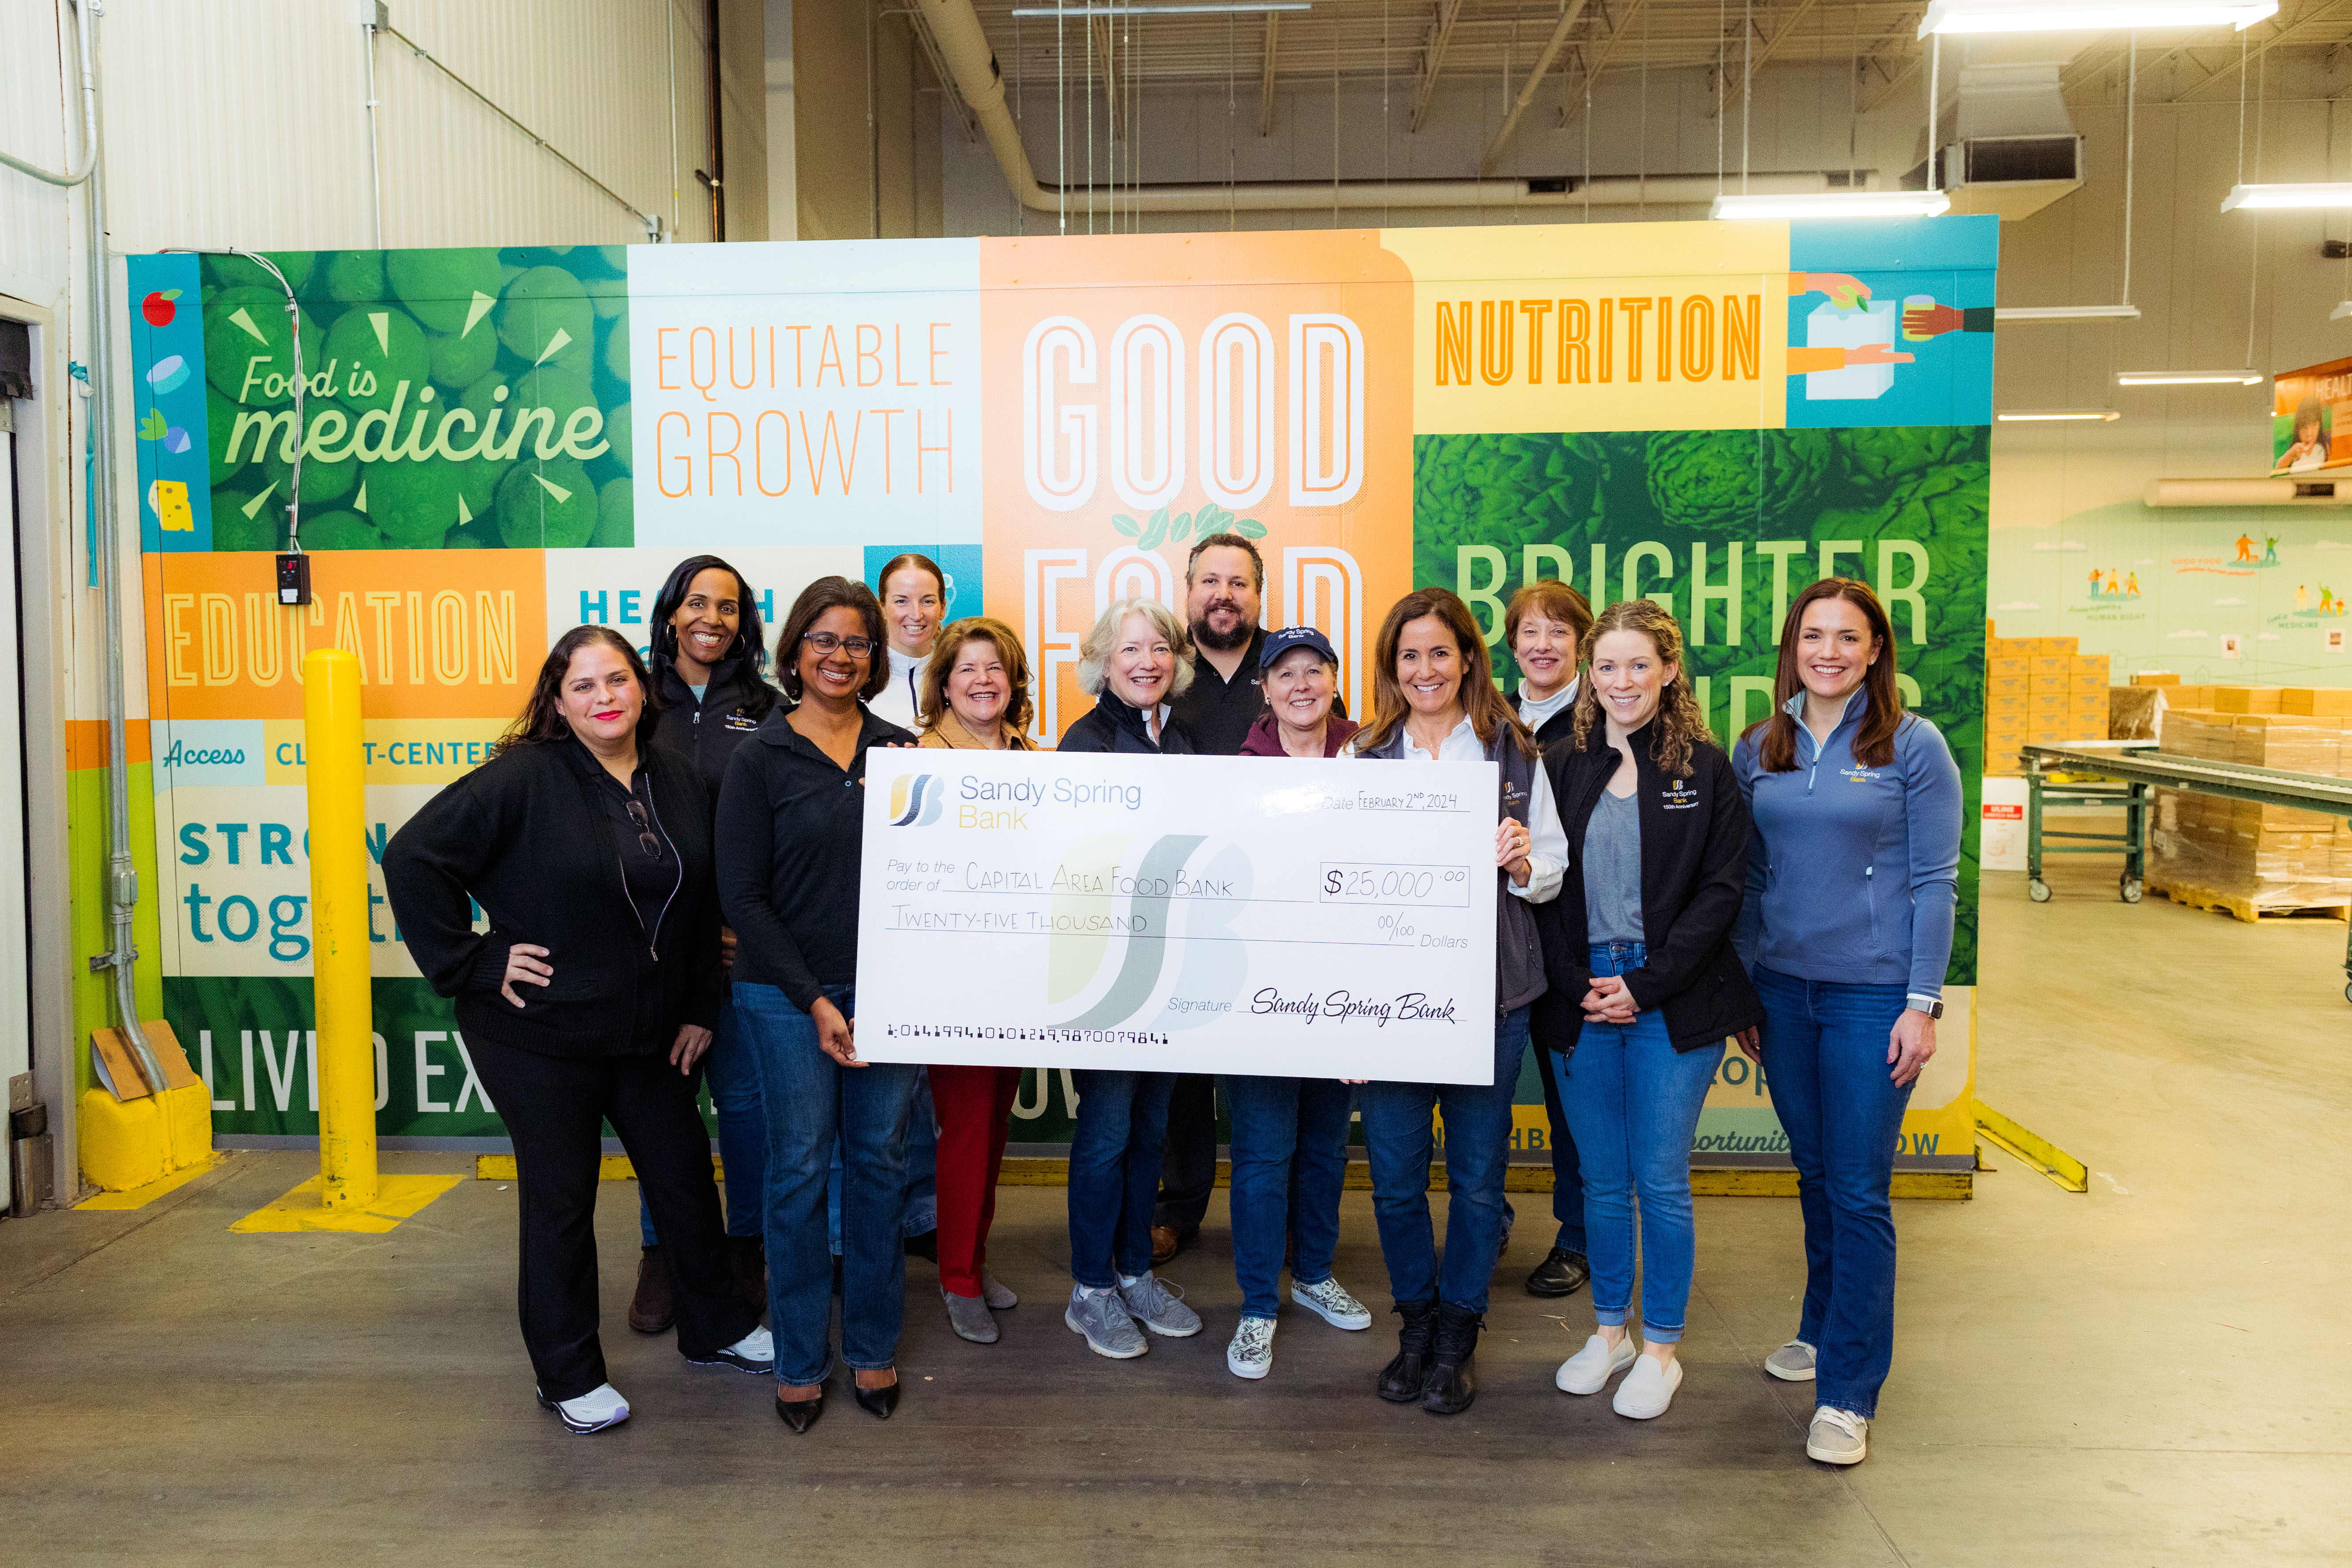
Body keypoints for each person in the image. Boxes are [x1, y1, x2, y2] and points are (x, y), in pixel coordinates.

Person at [384, 626, 772, 1435]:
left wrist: (702, 1005)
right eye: (585, 685)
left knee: (684, 1181)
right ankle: (566, 1373)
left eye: (619, 680)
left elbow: (701, 904)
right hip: (537, 1034)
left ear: (643, 687)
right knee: (562, 1199)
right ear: (557, 701)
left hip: (651, 1030)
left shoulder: (673, 776)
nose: (606, 697)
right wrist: (475, 961)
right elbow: (413, 857)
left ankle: (719, 1329)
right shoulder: (522, 778)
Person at [1732, 578, 1961, 1466]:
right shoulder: (1762, 744)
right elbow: (1751, 882)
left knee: (1859, 1189)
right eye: (1812, 635)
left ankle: (1848, 1392)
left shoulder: (1910, 744)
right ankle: (1821, 1328)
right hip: (1785, 992)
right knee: (1816, 1172)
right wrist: (1747, 989)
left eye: (1847, 637)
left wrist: (1920, 1000)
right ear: (1792, 646)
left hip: (1872, 997)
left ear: (1874, 650)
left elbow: (1935, 880)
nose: (1827, 650)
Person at [1344, 588, 1566, 1416]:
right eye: (1409, 656)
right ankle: (1416, 1324)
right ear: (1391, 668)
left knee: (1476, 1181)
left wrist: (1520, 862)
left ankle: (1459, 1333)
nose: (1425, 670)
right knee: (1397, 1182)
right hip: (1393, 1007)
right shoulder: (1362, 758)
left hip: (1492, 1001)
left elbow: (1552, 869)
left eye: (1440, 652)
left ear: (1468, 658)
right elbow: (1336, 888)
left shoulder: (1510, 750)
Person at [1543, 599, 1762, 1422]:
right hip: (1584, 998)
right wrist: (1579, 985)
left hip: (1672, 998)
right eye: (1607, 666)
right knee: (1602, 1182)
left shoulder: (1705, 769)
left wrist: (1646, 984)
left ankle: (1662, 1347)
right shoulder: (1562, 760)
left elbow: (1720, 894)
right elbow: (1541, 891)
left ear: (1669, 671)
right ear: (1588, 676)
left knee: (1660, 1181)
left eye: (1640, 665)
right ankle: (1610, 1333)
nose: (1623, 680)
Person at [718, 576, 919, 1432]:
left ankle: (871, 1346)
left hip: (892, 995)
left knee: (878, 1168)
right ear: (794, 649)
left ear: (876, 657)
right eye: (823, 640)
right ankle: (799, 1357)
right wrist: (811, 998)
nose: (840, 656)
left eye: (858, 643)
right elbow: (742, 895)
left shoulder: (903, 750)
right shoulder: (758, 756)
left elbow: (927, 880)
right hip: (780, 997)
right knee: (797, 1172)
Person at [626, 555, 776, 1337]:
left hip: (733, 949)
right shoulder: (631, 697)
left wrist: (744, 925)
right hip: (654, 950)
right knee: (664, 1108)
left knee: (746, 1106)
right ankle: (665, 1251)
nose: (711, 618)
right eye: (697, 603)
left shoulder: (768, 707)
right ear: (670, 612)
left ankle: (745, 1245)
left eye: (728, 606)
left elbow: (777, 831)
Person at [1221, 625, 1371, 1379]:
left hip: (1345, 992)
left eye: (1315, 671)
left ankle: (1312, 1274)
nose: (1302, 685)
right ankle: (1256, 1304)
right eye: (1287, 674)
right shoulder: (1238, 769)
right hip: (1262, 998)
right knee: (1260, 1156)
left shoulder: (1376, 756)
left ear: (1334, 678)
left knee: (1323, 1147)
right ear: (1267, 688)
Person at [1057, 596, 1204, 1358]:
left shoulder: (1180, 737)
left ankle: (1136, 1270)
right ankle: (1091, 1289)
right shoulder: (1085, 744)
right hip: (1110, 976)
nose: (1145, 662)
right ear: (1103, 664)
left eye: (1157, 649)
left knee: (1151, 1131)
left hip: (1169, 970)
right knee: (1108, 1132)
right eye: (1128, 651)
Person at [1150, 532, 1271, 1266]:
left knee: (1265, 1065)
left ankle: (1272, 1206)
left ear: (1259, 594)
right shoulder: (1159, 669)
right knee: (1183, 1073)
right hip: (1179, 903)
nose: (1223, 594)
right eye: (1209, 581)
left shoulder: (1290, 668)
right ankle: (1179, 1204)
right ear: (1187, 589)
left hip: (1269, 905)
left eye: (1239, 583)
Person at [915, 617, 1036, 1344]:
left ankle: (974, 1258)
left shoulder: (1034, 756)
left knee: (993, 1132)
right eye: (968, 669)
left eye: (996, 669)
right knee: (964, 1132)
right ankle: (956, 1279)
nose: (984, 681)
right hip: (954, 978)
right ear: (944, 683)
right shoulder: (920, 758)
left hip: (1021, 973)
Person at [1505, 579, 1596, 1304]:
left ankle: (1578, 1237)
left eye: (1558, 632)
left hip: (1570, 942)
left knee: (1573, 1105)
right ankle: (1489, 1214)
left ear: (1582, 645)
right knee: (1480, 1095)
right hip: (1498, 943)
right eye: (1530, 631)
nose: (1542, 645)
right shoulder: (1487, 725)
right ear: (1511, 645)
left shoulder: (1604, 725)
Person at [867, 551, 946, 729]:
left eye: (927, 601)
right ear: (883, 609)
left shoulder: (961, 676)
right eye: (902, 602)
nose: (916, 615)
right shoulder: (859, 677)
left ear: (942, 609)